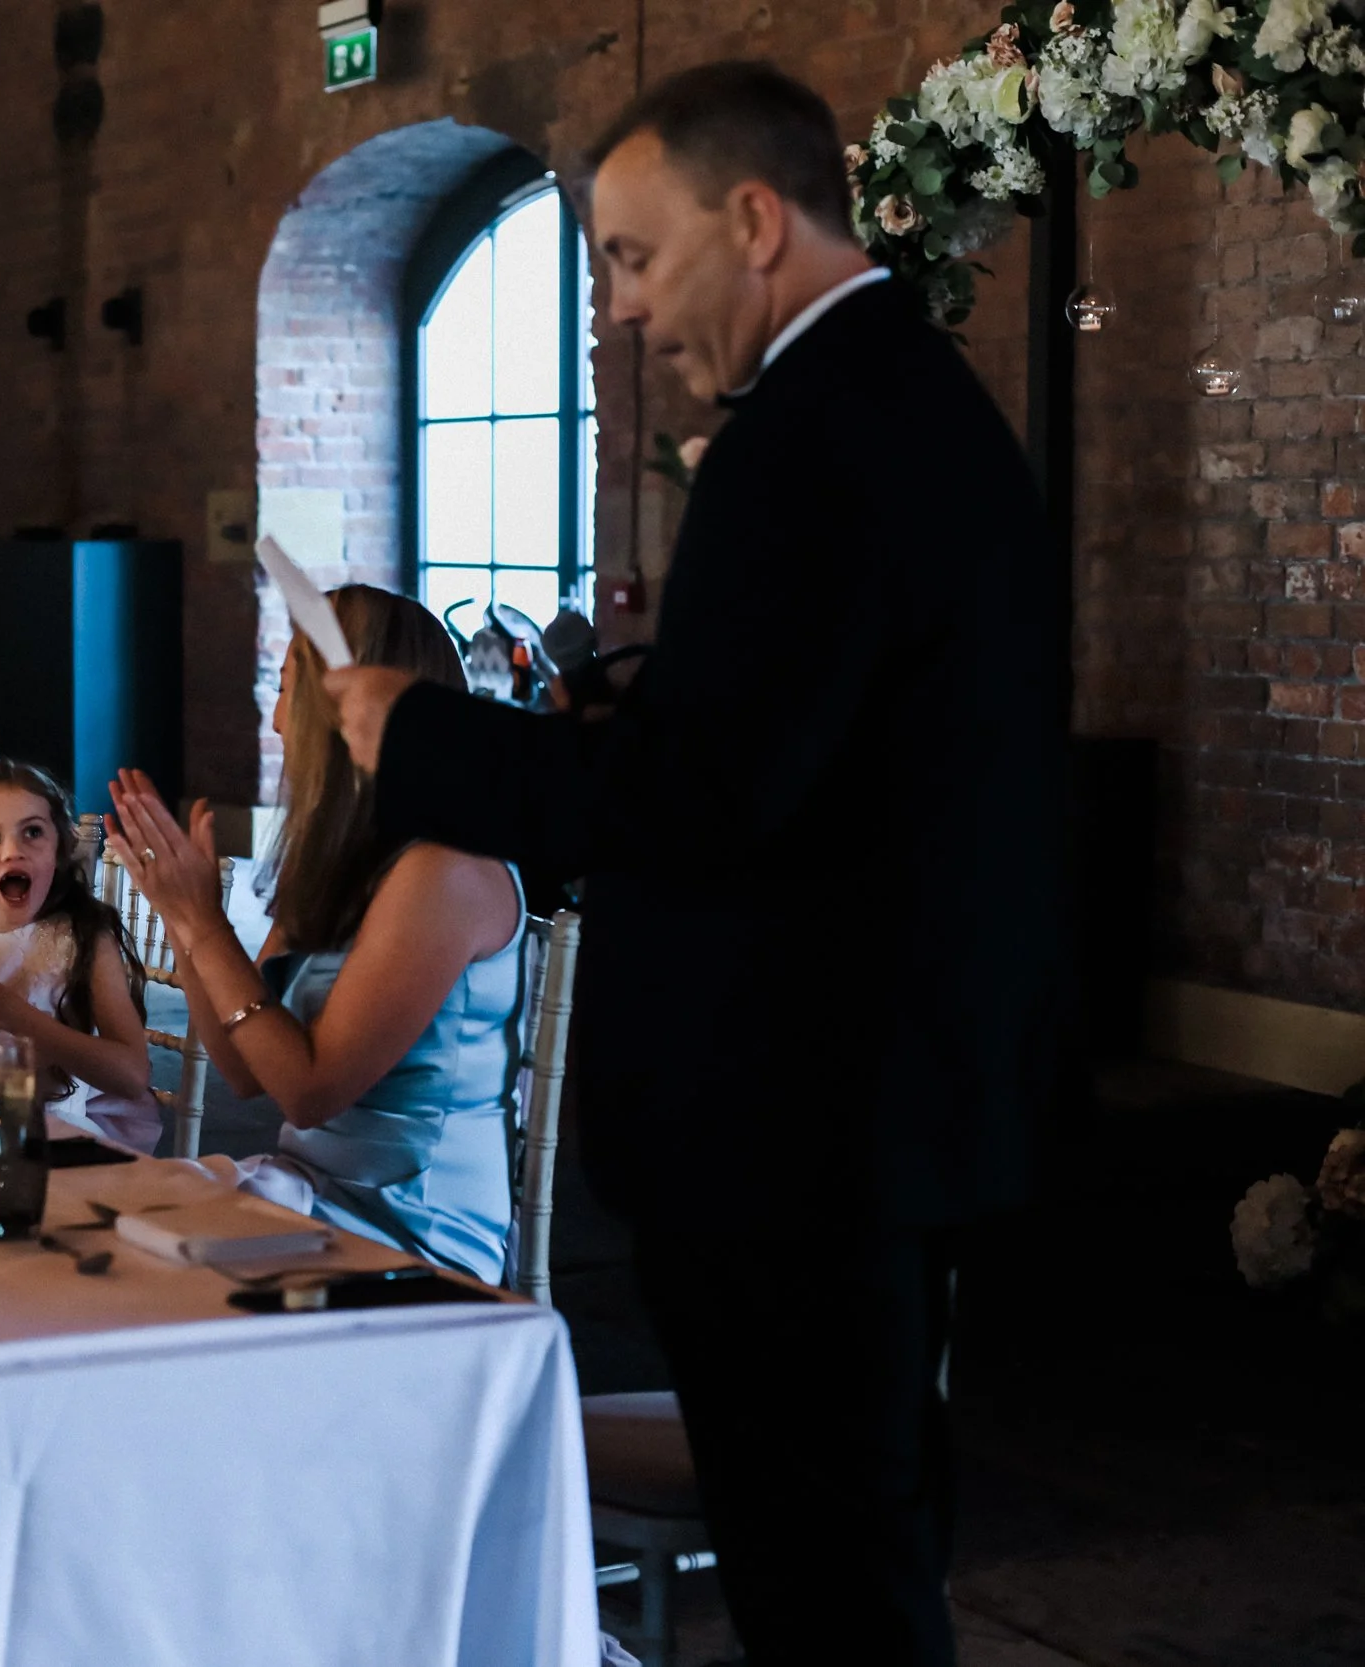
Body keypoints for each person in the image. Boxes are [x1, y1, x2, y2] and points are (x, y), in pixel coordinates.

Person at [323, 62, 1064, 1666]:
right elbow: (809, 747)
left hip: (797, 1124)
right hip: (862, 1111)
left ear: (755, 218)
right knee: (849, 1562)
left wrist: (418, 734)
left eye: (638, 259)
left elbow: (706, 795)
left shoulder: (812, 434)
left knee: (827, 1592)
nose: (625, 312)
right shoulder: (904, 405)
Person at [106, 585, 528, 1281]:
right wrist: (183, 914)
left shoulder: (444, 869)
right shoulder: (339, 856)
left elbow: (308, 1091)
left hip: (412, 1238)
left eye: (286, 690)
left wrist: (209, 923)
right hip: (311, 1197)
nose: (275, 720)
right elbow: (246, 1070)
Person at [0, 760, 154, 1148]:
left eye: (33, 832)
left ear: (59, 850)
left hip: (54, 1141)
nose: (13, 852)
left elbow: (131, 1076)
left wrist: (13, 1014)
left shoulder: (81, 938)